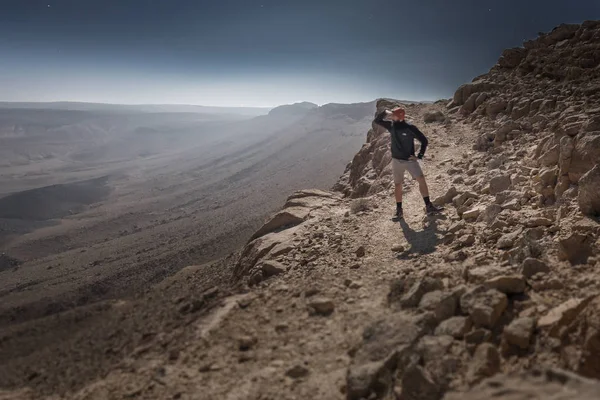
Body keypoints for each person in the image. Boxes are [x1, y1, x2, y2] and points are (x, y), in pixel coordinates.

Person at [373, 107, 443, 220]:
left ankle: (429, 206)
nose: (391, 116)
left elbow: (424, 141)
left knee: (421, 180)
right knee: (397, 185)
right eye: (391, 114)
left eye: (393, 114)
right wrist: (386, 111)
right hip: (396, 161)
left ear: (400, 116)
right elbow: (377, 121)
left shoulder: (410, 128)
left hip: (410, 160)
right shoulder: (391, 126)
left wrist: (419, 156)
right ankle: (399, 210)